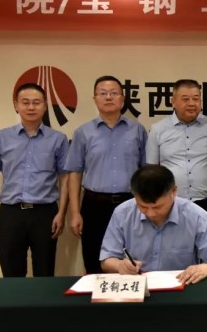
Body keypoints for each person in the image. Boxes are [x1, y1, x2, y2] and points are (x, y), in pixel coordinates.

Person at [0, 83, 69, 277]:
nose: (31, 107)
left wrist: (61, 213)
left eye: (36, 102)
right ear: (16, 105)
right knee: (11, 274)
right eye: (25, 102)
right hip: (11, 213)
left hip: (45, 213)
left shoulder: (58, 139)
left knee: (45, 273)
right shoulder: (1, 137)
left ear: (45, 105)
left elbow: (65, 178)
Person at [65, 75, 148, 274]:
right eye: (103, 93)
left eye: (113, 93)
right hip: (94, 205)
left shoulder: (137, 130)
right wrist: (75, 212)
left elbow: (146, 171)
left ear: (122, 99)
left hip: (130, 203)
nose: (108, 97)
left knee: (130, 261)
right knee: (94, 260)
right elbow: (75, 173)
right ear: (95, 99)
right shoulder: (83, 132)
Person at [100, 165, 207, 284]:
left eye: (158, 207)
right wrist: (120, 265)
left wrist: (205, 268)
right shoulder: (122, 214)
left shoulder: (197, 217)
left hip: (181, 288)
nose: (150, 213)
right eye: (143, 207)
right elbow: (106, 260)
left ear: (174, 192)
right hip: (137, 288)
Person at [146, 79, 207, 229]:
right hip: (170, 203)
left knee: (206, 244)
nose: (191, 104)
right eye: (185, 99)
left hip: (205, 203)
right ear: (173, 101)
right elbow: (152, 171)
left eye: (196, 99)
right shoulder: (158, 129)